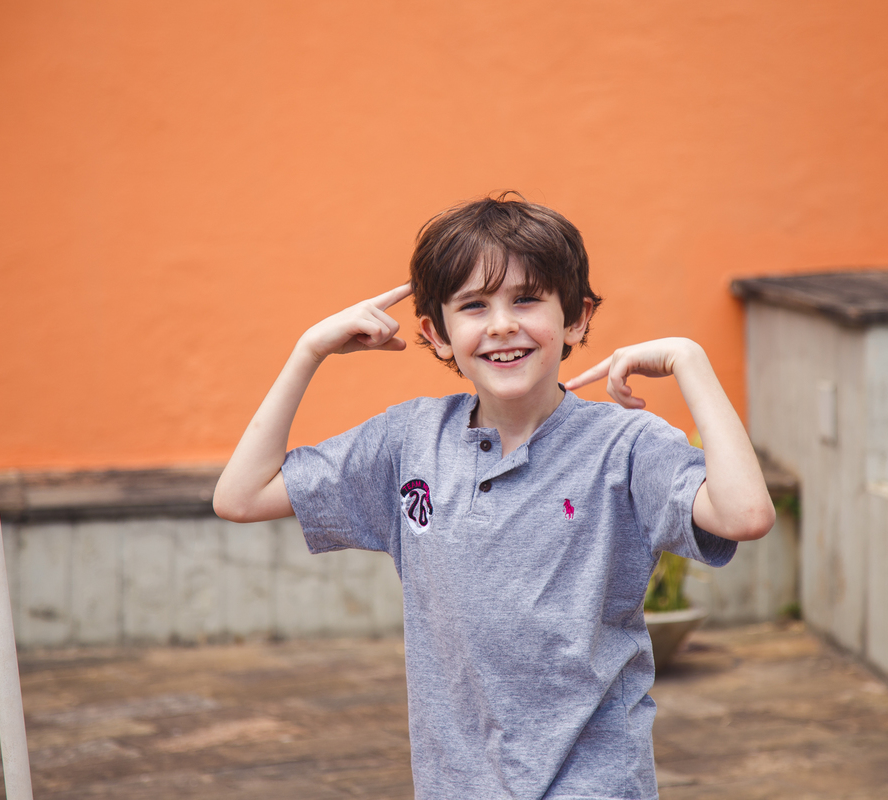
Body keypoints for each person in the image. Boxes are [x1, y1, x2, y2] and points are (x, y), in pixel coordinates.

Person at [213, 194, 775, 799]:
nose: (502, 324)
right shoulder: (409, 441)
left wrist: (690, 362)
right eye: (474, 306)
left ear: (577, 319)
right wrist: (309, 351)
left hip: (594, 784)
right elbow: (241, 497)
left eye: (526, 298)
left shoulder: (624, 446)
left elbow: (746, 514)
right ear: (437, 333)